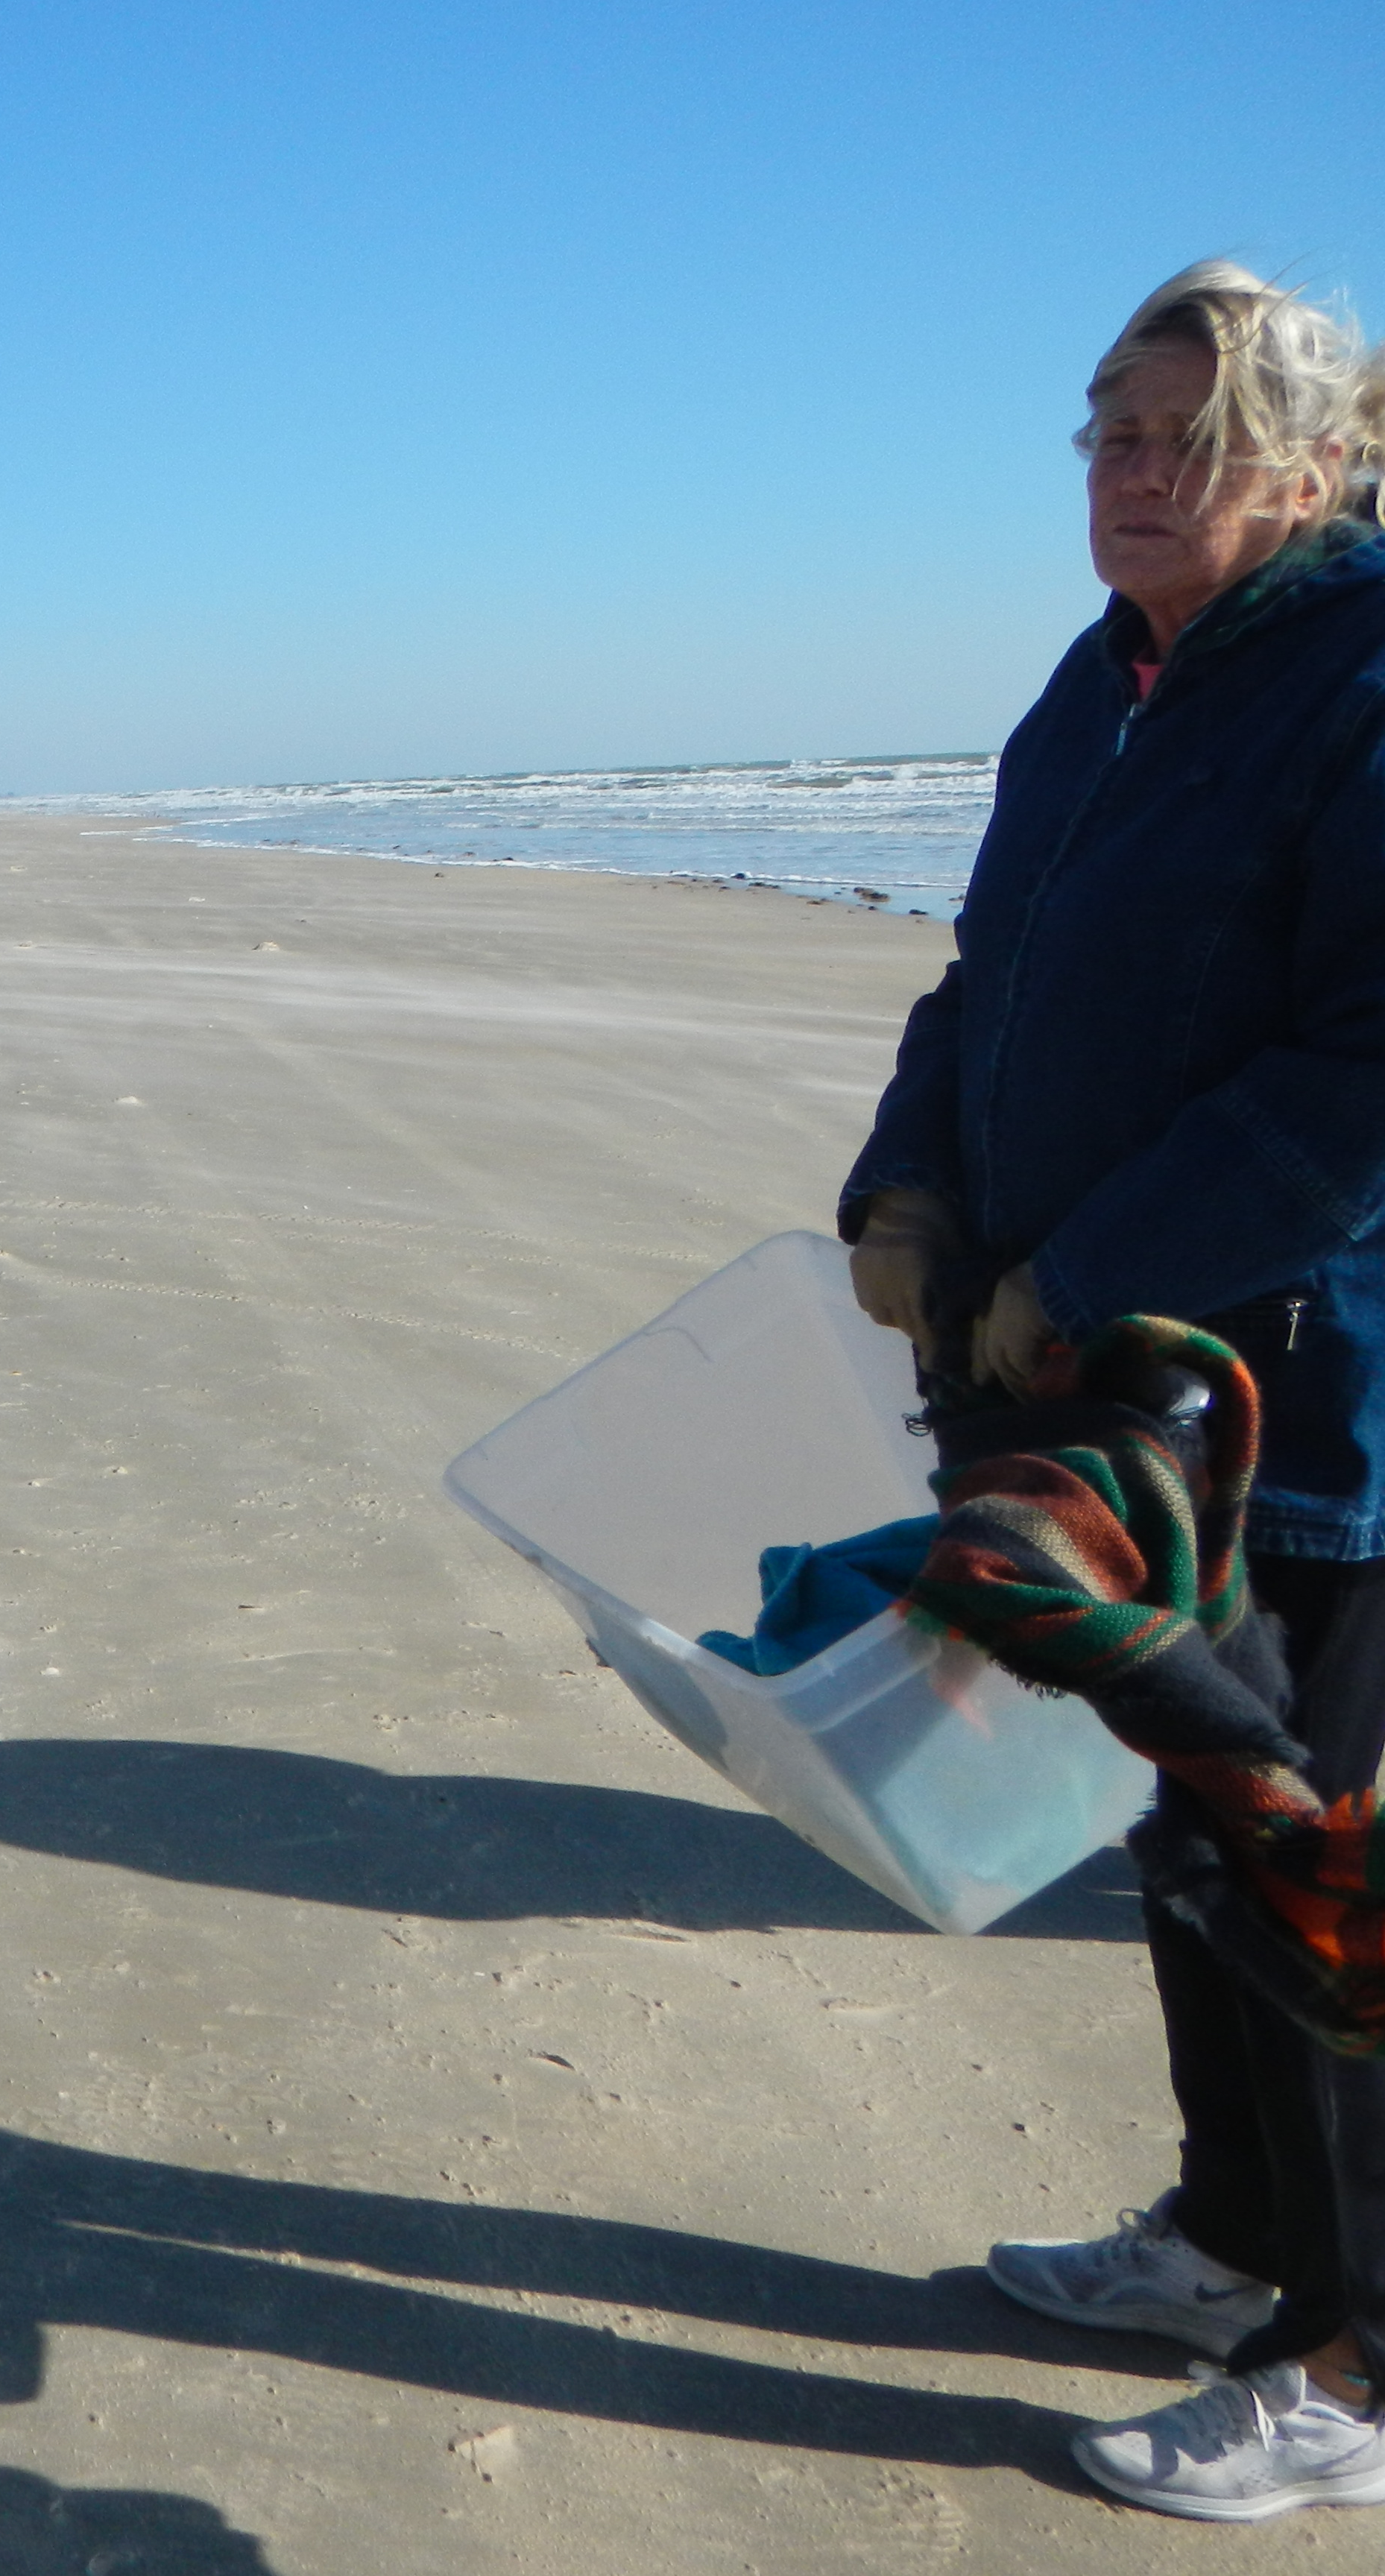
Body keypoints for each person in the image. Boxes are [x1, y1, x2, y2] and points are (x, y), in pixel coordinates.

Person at [842, 261, 1385, 2521]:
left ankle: (1355, 2366)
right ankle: (1232, 2245)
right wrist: (906, 1184)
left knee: (1309, 1872)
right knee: (1178, 1843)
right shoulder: (1105, 679)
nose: (1134, 473)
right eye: (1111, 433)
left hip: (1307, 1409)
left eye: (1190, 436)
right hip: (1101, 1400)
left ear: (1318, 466)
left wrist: (1081, 1269)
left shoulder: (1364, 677)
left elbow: (1360, 1076)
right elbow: (989, 972)